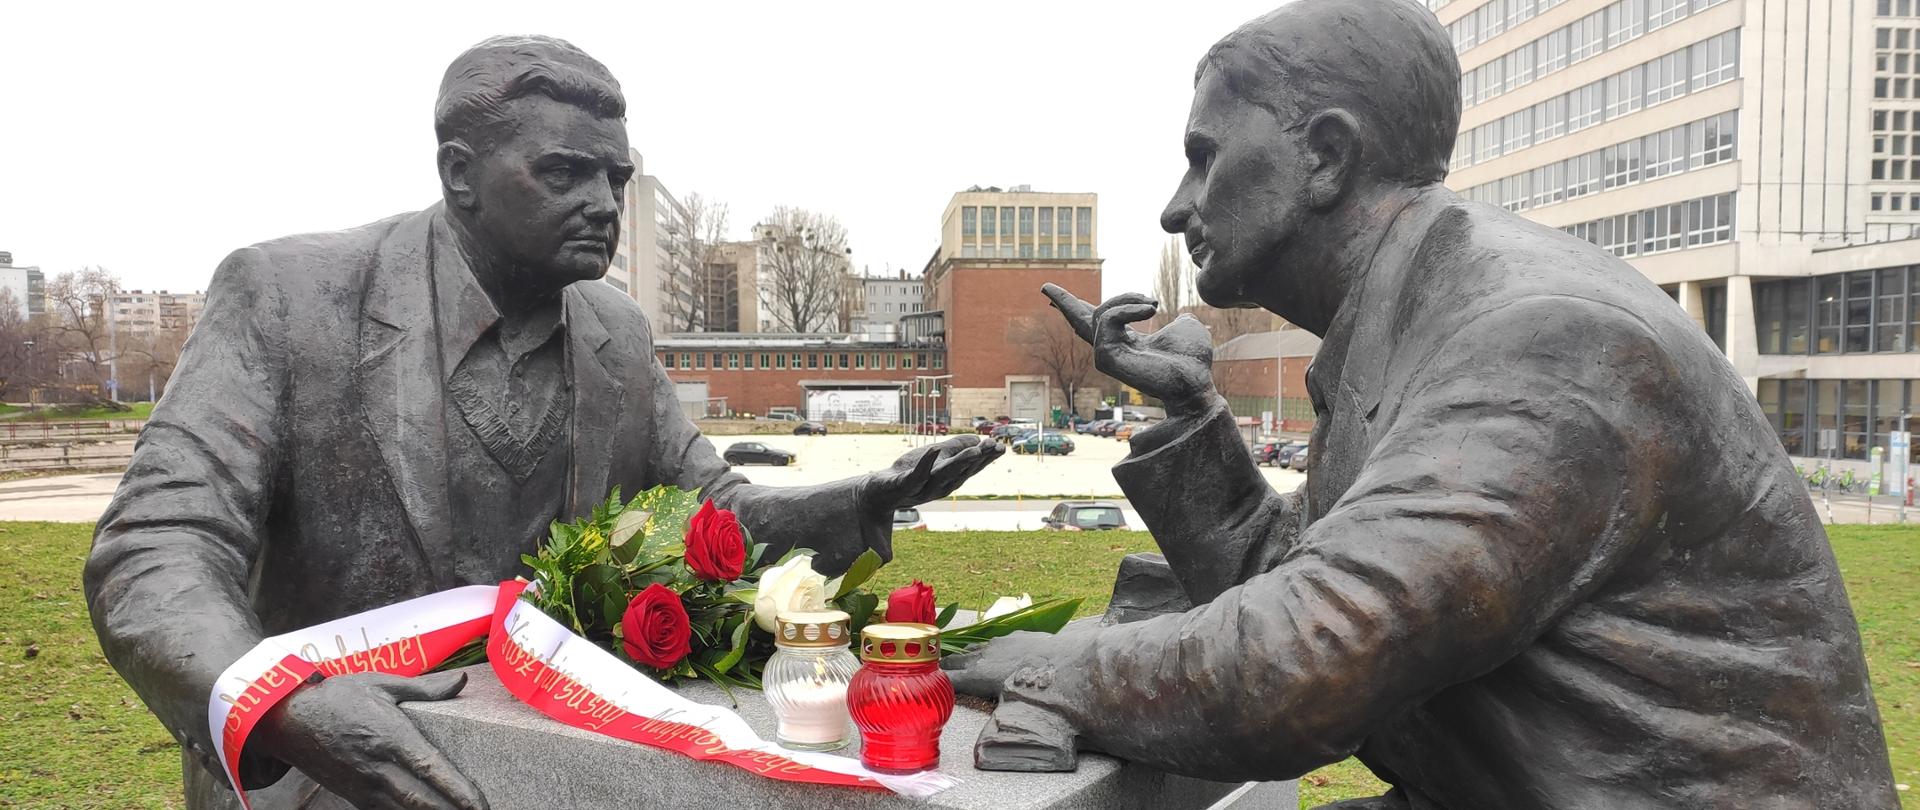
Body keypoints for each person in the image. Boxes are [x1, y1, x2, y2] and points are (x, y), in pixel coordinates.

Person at [946, 2, 1898, 807]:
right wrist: (1196, 419)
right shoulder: (1411, 316)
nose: (1176, 206)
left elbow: (1315, 655)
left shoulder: (1542, 337)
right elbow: (1317, 585)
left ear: (1326, 156)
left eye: (1205, 156)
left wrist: (1062, 672)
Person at [84, 35, 1001, 810]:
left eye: (615, 177)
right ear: (460, 174)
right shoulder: (289, 297)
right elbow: (157, 544)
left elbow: (709, 509)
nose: (603, 203)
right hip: (328, 772)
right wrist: (282, 705)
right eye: (563, 172)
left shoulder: (616, 331)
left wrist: (855, 503)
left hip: (554, 767)